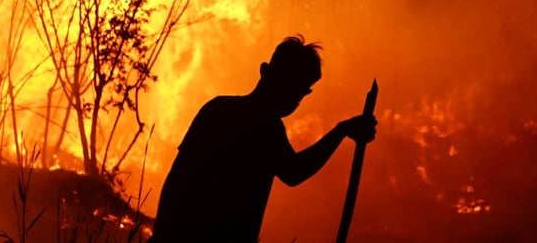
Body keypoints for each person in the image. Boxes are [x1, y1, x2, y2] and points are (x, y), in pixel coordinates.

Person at [149, 35, 377, 242]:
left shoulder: (219, 110)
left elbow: (176, 178)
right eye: (292, 88)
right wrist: (341, 131)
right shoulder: (262, 128)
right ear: (265, 72)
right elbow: (293, 172)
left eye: (299, 92)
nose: (294, 99)